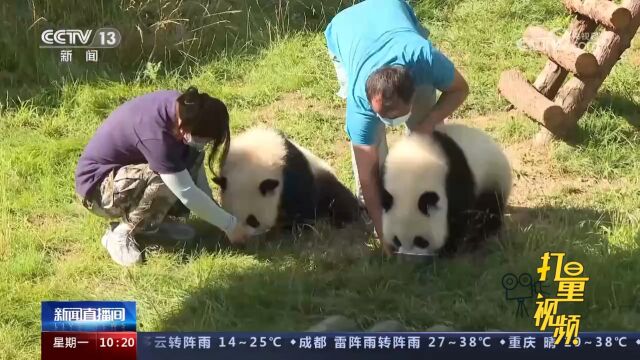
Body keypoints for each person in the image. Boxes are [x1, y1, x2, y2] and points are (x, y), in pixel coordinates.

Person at [324, 0, 470, 253]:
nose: (388, 121)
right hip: (344, 30)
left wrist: (428, 123)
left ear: (412, 92)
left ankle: (430, 192)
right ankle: (372, 211)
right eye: (381, 115)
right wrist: (384, 234)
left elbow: (460, 89)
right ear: (370, 101)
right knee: (370, 150)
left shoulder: (426, 60)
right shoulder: (360, 105)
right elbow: (367, 176)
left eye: (395, 114)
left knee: (431, 138)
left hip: (391, 8)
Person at [75, 87, 248, 267]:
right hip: (98, 191)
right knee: (164, 178)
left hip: (127, 177)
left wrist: (216, 218)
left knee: (188, 159)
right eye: (203, 139)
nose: (205, 144)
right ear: (184, 129)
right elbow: (186, 192)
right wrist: (230, 226)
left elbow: (195, 168)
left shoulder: (184, 108)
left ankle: (150, 225)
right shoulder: (157, 136)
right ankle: (121, 234)